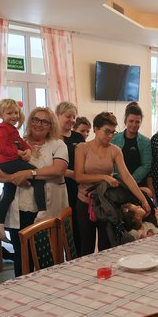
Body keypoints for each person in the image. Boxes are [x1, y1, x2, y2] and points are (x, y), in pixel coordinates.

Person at [0, 107, 69, 277]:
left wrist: (29, 174)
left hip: (46, 211)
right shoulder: (18, 141)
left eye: (45, 121)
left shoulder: (58, 144)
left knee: (48, 259)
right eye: (35, 119)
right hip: (20, 210)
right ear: (29, 122)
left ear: (51, 125)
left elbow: (58, 170)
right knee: (22, 260)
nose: (39, 124)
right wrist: (14, 177)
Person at [74, 112, 151, 256]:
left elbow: (127, 176)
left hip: (106, 204)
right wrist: (104, 177)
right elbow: (79, 177)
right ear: (96, 129)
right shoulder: (82, 148)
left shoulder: (115, 150)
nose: (110, 136)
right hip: (85, 202)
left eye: (113, 132)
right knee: (87, 246)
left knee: (107, 246)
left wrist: (143, 200)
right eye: (107, 131)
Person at [0, 99, 47, 242]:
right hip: (9, 163)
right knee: (38, 176)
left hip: (10, 162)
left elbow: (21, 142)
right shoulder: (2, 129)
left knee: (9, 193)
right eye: (9, 113)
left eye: (16, 112)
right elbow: (1, 149)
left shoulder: (12, 129)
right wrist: (18, 153)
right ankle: (42, 211)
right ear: (1, 114)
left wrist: (27, 150)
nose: (14, 116)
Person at [56, 101, 84, 255]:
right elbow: (49, 165)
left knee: (77, 225)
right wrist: (72, 174)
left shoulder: (78, 137)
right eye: (68, 116)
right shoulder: (52, 137)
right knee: (61, 225)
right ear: (58, 115)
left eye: (74, 117)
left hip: (77, 187)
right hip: (59, 185)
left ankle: (76, 256)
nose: (72, 120)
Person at [111, 102, 152, 187]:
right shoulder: (114, 139)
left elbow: (146, 165)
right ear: (125, 121)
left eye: (137, 122)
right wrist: (122, 181)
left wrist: (130, 181)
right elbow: (111, 163)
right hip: (118, 184)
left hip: (138, 185)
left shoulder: (146, 142)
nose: (134, 125)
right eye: (131, 121)